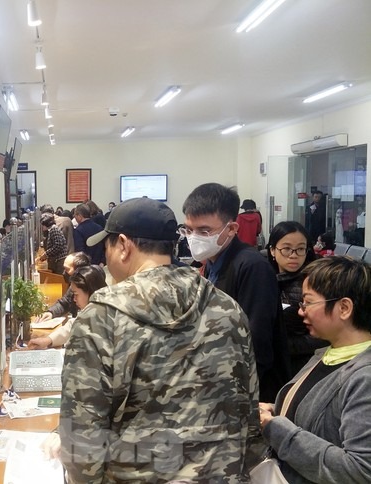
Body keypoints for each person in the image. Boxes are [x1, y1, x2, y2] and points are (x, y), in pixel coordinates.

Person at [57, 197, 259, 482]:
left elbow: (81, 435)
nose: (106, 256)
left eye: (107, 246)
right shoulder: (227, 308)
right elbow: (249, 410)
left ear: (124, 245)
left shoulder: (102, 317)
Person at [259, 256, 371, 483]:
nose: (301, 311)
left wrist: (275, 429)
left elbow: (360, 469)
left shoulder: (364, 378)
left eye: (308, 302)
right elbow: (324, 420)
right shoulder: (327, 354)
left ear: (344, 308)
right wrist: (276, 409)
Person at [182, 182, 290, 402]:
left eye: (204, 231)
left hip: (253, 390)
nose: (193, 238)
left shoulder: (252, 267)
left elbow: (257, 341)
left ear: (231, 229)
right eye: (188, 230)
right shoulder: (211, 263)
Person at [267, 221, 327, 374]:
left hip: (302, 366)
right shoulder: (264, 278)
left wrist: (284, 346)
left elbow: (325, 336)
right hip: (271, 365)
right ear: (273, 250)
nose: (294, 255)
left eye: (300, 249)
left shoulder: (314, 283)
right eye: (287, 249)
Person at [28, 264, 106, 350]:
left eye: (76, 294)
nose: (74, 299)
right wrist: (48, 340)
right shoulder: (90, 312)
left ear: (91, 293)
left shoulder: (106, 316)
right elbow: (73, 325)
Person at [36, 252, 91, 323]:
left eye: (67, 269)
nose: (64, 273)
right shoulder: (73, 286)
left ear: (79, 270)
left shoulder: (93, 289)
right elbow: (64, 303)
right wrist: (51, 313)